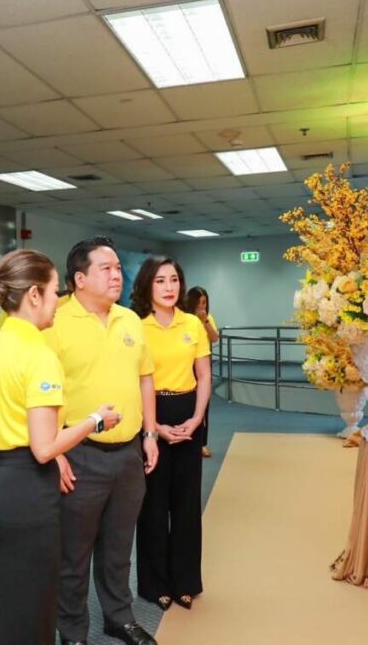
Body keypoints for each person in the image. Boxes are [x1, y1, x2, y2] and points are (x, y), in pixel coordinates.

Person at [0, 250, 121, 644]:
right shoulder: (39, 354)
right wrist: (95, 421)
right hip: (25, 489)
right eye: (56, 292)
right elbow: (44, 448)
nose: (59, 301)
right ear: (34, 295)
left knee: (2, 601)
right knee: (36, 604)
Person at [44, 236, 159, 645]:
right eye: (106, 268)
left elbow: (145, 378)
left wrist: (149, 434)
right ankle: (73, 632)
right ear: (79, 279)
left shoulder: (130, 319)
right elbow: (42, 394)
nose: (118, 274)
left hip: (128, 453)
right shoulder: (54, 322)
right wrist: (55, 453)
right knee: (73, 554)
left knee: (117, 547)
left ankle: (119, 617)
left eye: (117, 268)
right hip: (79, 454)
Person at [131, 257, 212, 611]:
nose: (169, 287)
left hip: (189, 413)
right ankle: (154, 584)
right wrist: (154, 427)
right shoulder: (134, 326)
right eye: (161, 280)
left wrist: (196, 419)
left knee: (186, 504)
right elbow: (132, 380)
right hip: (152, 416)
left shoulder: (192, 323)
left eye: (174, 280)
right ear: (148, 286)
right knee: (152, 504)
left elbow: (205, 375)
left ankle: (185, 582)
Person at [184, 286, 218, 458]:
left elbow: (214, 338)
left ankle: (202, 443)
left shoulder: (208, 318)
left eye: (204, 302)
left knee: (204, 406)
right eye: (198, 302)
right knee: (188, 404)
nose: (202, 306)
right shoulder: (184, 319)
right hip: (186, 365)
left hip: (203, 365)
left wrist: (205, 321)